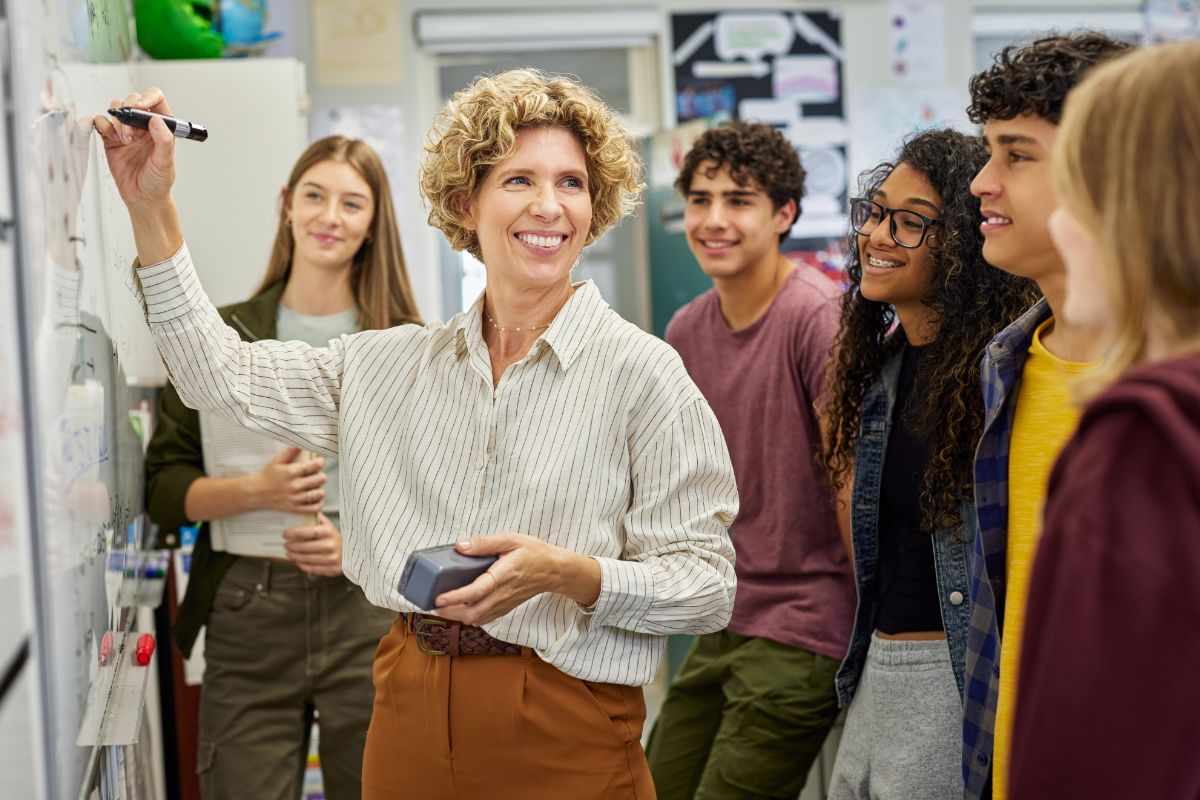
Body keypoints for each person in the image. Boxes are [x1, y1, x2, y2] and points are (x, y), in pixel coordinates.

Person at [96, 69, 738, 800]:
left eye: (572, 184)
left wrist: (571, 573)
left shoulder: (646, 377)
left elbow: (707, 587)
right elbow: (216, 373)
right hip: (408, 702)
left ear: (594, 209)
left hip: (568, 715)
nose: (549, 206)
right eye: (519, 180)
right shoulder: (388, 365)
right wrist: (151, 208)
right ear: (467, 201)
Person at [144, 134, 420, 799]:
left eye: (352, 203)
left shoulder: (408, 346)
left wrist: (353, 546)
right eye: (315, 196)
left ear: (374, 222)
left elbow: (439, 503)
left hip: (366, 611)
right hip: (247, 609)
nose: (331, 217)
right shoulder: (222, 336)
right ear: (286, 205)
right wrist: (253, 491)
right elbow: (160, 489)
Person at [819, 130, 1038, 800]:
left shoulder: (999, 381)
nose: (878, 236)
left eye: (911, 223)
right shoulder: (883, 373)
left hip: (949, 684)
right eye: (877, 213)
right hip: (874, 667)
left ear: (966, 246)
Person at [1009, 40, 1200, 798]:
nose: (1061, 229)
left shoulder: (1146, 440)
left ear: (1137, 214)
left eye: (1078, 193)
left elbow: (1093, 749)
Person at [645, 121, 852, 800]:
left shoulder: (817, 318)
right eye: (701, 200)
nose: (714, 219)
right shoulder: (686, 330)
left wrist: (876, 634)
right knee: (649, 785)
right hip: (723, 613)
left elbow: (852, 482)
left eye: (739, 200)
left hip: (805, 621)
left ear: (783, 214)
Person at [959, 31, 1133, 800]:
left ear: (1105, 170)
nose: (982, 184)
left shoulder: (1172, 386)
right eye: (988, 152)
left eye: (1016, 155)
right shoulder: (1005, 368)